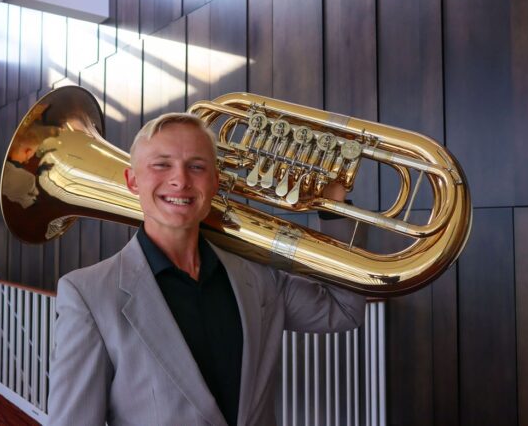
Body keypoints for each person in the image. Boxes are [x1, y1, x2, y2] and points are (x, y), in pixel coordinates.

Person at [47, 113, 366, 426]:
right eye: (161, 164)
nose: (180, 180)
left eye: (196, 167)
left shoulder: (258, 274)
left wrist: (333, 203)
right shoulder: (88, 295)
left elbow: (343, 311)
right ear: (132, 180)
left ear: (215, 181)